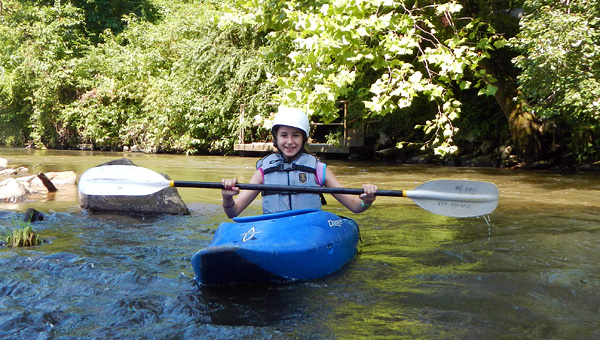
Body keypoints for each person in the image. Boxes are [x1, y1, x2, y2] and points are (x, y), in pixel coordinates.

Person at [221, 107, 377, 218]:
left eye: (295, 135)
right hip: (275, 231)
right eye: (284, 135)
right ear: (276, 138)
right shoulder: (263, 172)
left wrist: (367, 200)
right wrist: (227, 197)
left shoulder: (318, 169)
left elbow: (355, 206)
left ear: (303, 139)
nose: (289, 141)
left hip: (308, 231)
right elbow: (233, 212)